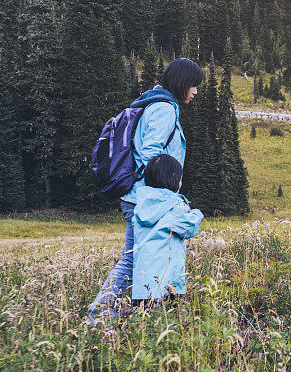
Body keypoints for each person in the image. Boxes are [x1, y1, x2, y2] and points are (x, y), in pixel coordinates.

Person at [86, 57, 204, 322]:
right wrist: (167, 188)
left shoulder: (154, 103)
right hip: (148, 198)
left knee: (140, 257)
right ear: (182, 82)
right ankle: (98, 316)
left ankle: (141, 312)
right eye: (193, 85)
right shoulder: (164, 109)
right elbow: (151, 153)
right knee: (131, 261)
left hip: (141, 196)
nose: (195, 91)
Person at [131, 154, 203, 306]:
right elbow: (190, 228)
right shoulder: (175, 206)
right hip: (167, 284)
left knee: (142, 324)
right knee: (167, 323)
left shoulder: (141, 206)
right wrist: (196, 213)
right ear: (174, 179)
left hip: (141, 286)